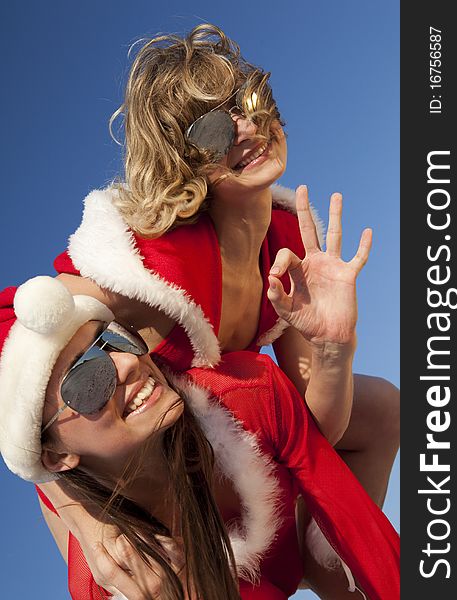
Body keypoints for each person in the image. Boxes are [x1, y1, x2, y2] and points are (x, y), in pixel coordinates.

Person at [38, 24, 398, 596]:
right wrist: (82, 517)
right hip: (149, 470)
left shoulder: (285, 236)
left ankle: (330, 561)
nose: (249, 128)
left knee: (380, 408)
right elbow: (27, 362)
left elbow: (317, 424)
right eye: (212, 126)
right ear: (180, 159)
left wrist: (335, 347)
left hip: (237, 436)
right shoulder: (147, 257)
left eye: (253, 102)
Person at [0, 276, 399, 600]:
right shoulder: (117, 579)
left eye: (114, 339)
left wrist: (334, 352)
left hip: (286, 544)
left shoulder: (245, 394)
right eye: (87, 379)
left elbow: (352, 518)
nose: (127, 365)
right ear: (53, 458)